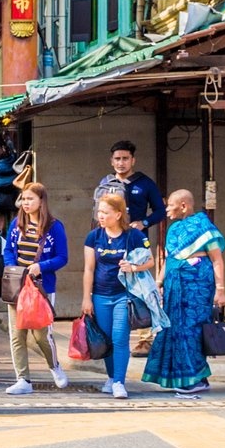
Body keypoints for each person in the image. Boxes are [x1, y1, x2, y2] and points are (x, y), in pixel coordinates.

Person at [143, 190, 225, 398]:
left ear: (184, 206)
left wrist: (220, 290)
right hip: (174, 288)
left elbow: (216, 259)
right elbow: (169, 259)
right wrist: (159, 282)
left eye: (170, 205)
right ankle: (193, 378)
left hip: (197, 288)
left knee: (193, 331)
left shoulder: (204, 227)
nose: (167, 210)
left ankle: (193, 379)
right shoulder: (173, 229)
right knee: (174, 331)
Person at [95, 141, 167, 355]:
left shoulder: (144, 183)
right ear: (111, 161)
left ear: (133, 160)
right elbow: (97, 211)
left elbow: (160, 211)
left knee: (140, 288)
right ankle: (110, 333)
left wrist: (144, 223)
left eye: (125, 158)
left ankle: (145, 339)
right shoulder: (106, 183)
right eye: (117, 158)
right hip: (109, 242)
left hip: (136, 245)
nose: (121, 162)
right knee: (112, 283)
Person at [1, 179, 68, 394]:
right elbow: (9, 250)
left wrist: (42, 266)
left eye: (30, 198)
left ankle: (54, 366)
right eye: (23, 199)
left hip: (42, 288)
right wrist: (13, 267)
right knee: (17, 334)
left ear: (41, 201)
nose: (25, 203)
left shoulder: (54, 227)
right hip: (17, 287)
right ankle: (23, 380)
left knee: (41, 335)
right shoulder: (15, 224)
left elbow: (62, 257)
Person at [82, 192, 150, 399]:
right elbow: (88, 269)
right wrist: (87, 298)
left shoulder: (134, 235)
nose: (100, 216)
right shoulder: (94, 236)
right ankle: (111, 378)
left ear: (119, 214)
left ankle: (120, 382)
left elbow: (150, 262)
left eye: (105, 212)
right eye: (99, 212)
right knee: (107, 340)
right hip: (100, 295)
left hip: (124, 295)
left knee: (120, 337)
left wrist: (133, 267)